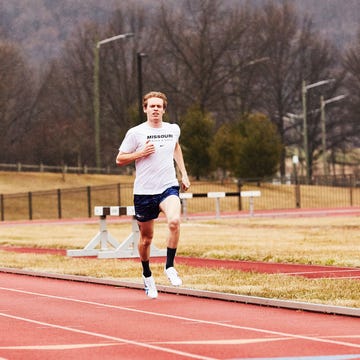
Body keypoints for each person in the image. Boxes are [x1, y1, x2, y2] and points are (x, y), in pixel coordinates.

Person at [116, 91, 190, 299]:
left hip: (168, 187)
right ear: (145, 109)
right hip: (144, 192)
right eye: (152, 106)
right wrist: (140, 154)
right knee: (146, 239)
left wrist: (183, 174)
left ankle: (169, 267)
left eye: (159, 106)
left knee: (174, 221)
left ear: (164, 110)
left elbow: (175, 147)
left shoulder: (173, 129)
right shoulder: (136, 133)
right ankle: (147, 275)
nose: (155, 109)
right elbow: (120, 159)